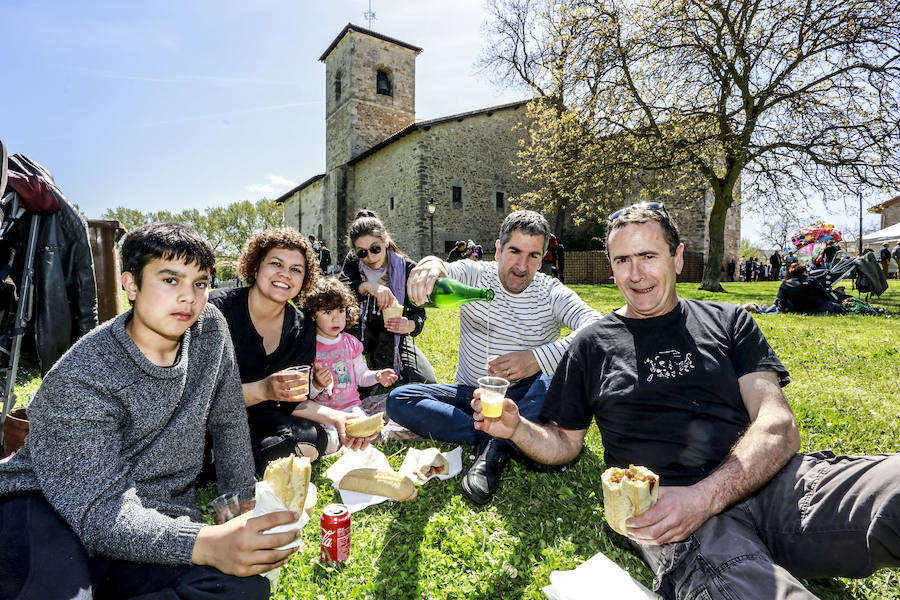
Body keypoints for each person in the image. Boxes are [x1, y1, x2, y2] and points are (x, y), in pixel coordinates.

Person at [472, 202, 898, 599]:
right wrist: (516, 428)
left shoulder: (729, 321)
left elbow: (777, 424)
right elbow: (564, 442)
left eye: (648, 256)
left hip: (774, 482)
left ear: (676, 258)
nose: (636, 273)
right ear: (611, 269)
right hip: (674, 517)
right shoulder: (590, 345)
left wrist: (708, 494)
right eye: (623, 261)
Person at [0, 223, 299, 599]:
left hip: (148, 514)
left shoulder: (210, 330)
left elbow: (227, 419)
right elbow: (100, 511)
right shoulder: (82, 375)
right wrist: (205, 542)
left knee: (243, 587)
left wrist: (239, 499)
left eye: (201, 283)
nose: (189, 297)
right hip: (49, 505)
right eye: (171, 280)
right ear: (131, 285)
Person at [388, 210, 602, 504]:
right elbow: (444, 269)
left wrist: (535, 359)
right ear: (499, 249)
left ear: (542, 258)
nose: (522, 266)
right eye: (514, 251)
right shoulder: (476, 275)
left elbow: (596, 327)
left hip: (527, 396)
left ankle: (499, 442)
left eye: (533, 256)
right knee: (398, 399)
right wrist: (430, 265)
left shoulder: (551, 292)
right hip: (471, 395)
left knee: (554, 379)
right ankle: (502, 438)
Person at [209, 228, 328, 475]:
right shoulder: (216, 310)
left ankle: (229, 461)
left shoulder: (303, 327)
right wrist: (263, 389)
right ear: (255, 267)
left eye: (296, 269)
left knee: (313, 436)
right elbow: (198, 395)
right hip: (207, 422)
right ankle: (220, 459)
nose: (285, 274)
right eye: (276, 264)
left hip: (261, 421)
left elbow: (292, 403)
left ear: (304, 280)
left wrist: (338, 418)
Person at [299, 276, 398, 452]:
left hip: (352, 407)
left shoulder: (350, 342)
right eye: (327, 312)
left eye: (340, 311)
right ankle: (334, 443)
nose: (336, 319)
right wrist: (316, 384)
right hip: (324, 413)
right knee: (328, 439)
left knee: (367, 430)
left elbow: (361, 377)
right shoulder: (309, 347)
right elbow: (307, 395)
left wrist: (376, 375)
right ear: (313, 315)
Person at [340, 215, 437, 389]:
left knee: (426, 383)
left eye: (375, 248)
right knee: (343, 379)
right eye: (362, 252)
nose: (369, 256)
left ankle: (378, 359)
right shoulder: (354, 263)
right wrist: (367, 286)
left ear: (385, 241)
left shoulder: (406, 268)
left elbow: (419, 314)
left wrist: (410, 325)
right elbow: (340, 290)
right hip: (358, 332)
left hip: (394, 336)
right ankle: (368, 362)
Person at [776, 263, 847, 314]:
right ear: (803, 272)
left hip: (796, 310)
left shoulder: (785, 284)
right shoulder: (811, 281)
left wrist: (782, 311)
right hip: (816, 308)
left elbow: (781, 301)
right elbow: (824, 296)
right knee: (837, 306)